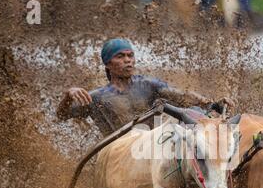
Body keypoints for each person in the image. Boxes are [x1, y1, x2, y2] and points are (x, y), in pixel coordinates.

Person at [57, 38, 234, 136]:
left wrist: (212, 104)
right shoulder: (95, 97)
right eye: (120, 56)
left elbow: (182, 96)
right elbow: (62, 115)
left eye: (130, 55)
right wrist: (68, 95)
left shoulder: (148, 85)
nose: (128, 60)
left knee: (194, 115)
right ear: (108, 64)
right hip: (119, 155)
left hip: (150, 150)